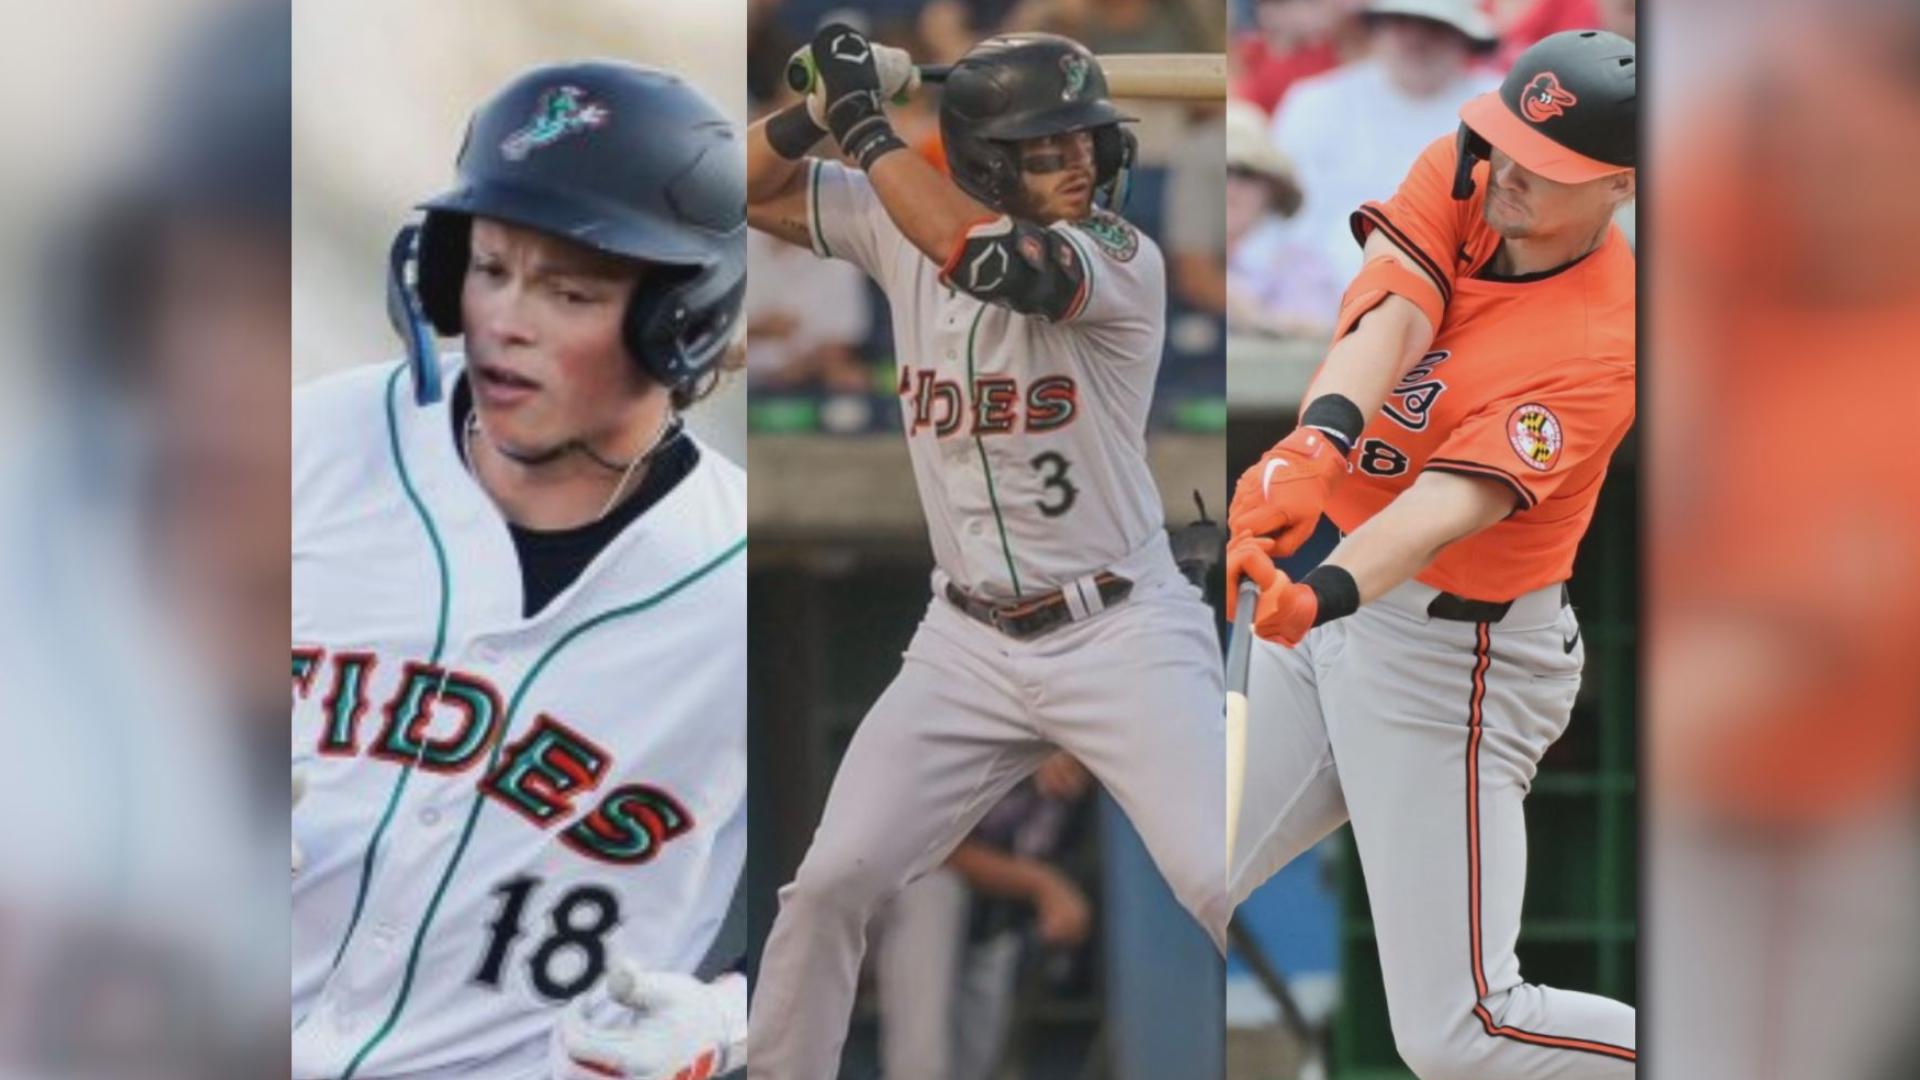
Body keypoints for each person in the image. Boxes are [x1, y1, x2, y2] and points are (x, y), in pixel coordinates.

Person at [743, 26, 1227, 1077]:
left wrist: (866, 123)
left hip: (1119, 628)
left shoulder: (1118, 255)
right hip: (963, 641)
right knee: (829, 885)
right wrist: (815, 109)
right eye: (1048, 147)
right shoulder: (888, 226)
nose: (1081, 162)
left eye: (1086, 141)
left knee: (1220, 876)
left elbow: (984, 258)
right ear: (985, 160)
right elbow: (727, 186)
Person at [291, 62, 749, 1080]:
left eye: (570, 290)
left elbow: (847, 891)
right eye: (489, 268)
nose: (507, 318)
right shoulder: (310, 448)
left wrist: (726, 1019)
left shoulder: (734, 582)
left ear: (682, 319)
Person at [1226, 30, 1639, 1078]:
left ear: (1621, 188)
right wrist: (1312, 442)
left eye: (1545, 172)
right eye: (1505, 145)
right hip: (1345, 600)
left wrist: (1321, 591)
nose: (1505, 176)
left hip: (1458, 659)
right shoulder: (1478, 166)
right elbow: (1392, 310)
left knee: (1462, 1032)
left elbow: (1445, 508)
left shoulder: (1605, 343)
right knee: (1189, 856)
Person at [872, 753, 1095, 1080]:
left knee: (975, 1069)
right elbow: (933, 849)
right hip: (895, 915)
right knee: (936, 891)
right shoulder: (986, 752)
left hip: (991, 932)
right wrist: (1043, 885)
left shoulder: (1083, 799)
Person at [1272, 0, 1499, 279]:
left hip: (1464, 287)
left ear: (1463, 37)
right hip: (1321, 294)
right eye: (1401, 22)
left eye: (1434, 26)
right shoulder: (1314, 103)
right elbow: (1279, 219)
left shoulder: (1500, 104)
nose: (1416, 39)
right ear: (1376, 28)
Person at [1225, 98, 1342, 338]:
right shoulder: (1171, 258)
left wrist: (1255, 318)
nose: (1231, 186)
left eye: (1246, 174)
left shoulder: (1299, 267)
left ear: (1272, 190)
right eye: (1223, 171)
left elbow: (1316, 338)